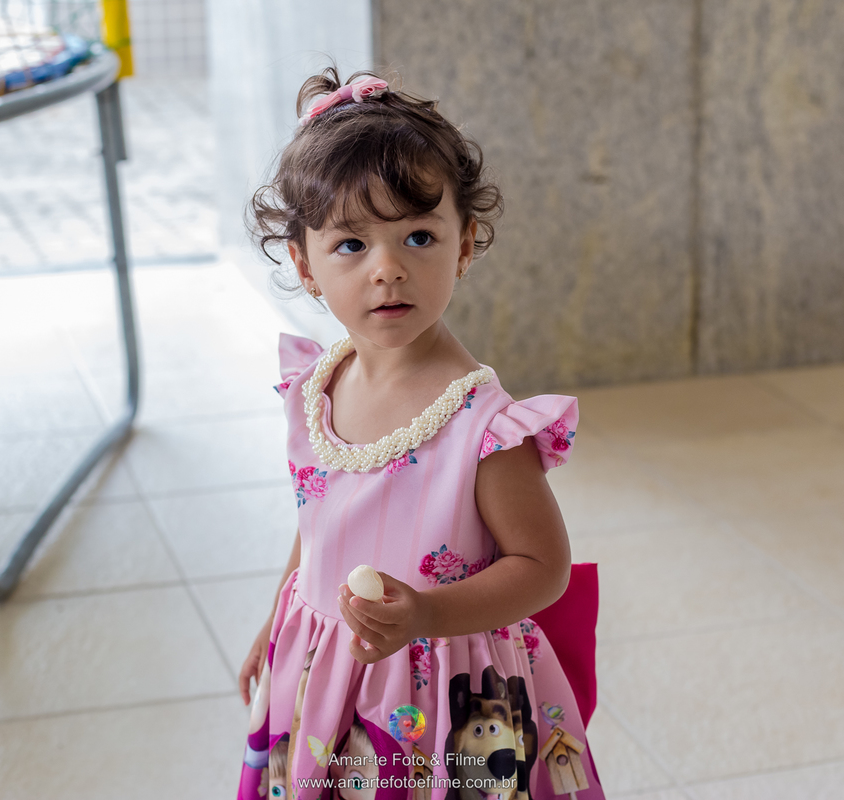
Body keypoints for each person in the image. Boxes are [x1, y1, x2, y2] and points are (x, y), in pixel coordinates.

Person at [237, 66, 603, 800]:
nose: (389, 269)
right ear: (303, 264)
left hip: (446, 694)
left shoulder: (481, 425)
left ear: (464, 245)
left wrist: (428, 613)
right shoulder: (314, 387)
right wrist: (277, 620)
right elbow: (319, 519)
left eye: (419, 236)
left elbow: (542, 567)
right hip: (322, 670)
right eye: (351, 245)